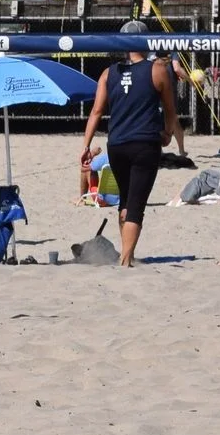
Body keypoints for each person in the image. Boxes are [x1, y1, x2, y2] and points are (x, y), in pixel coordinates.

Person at [76, 22, 179, 267]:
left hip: (117, 144)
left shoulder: (108, 73)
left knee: (125, 201)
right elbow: (170, 110)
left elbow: (96, 111)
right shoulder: (157, 69)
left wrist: (86, 145)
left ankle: (127, 255)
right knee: (135, 205)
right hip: (145, 142)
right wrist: (167, 133)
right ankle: (125, 259)